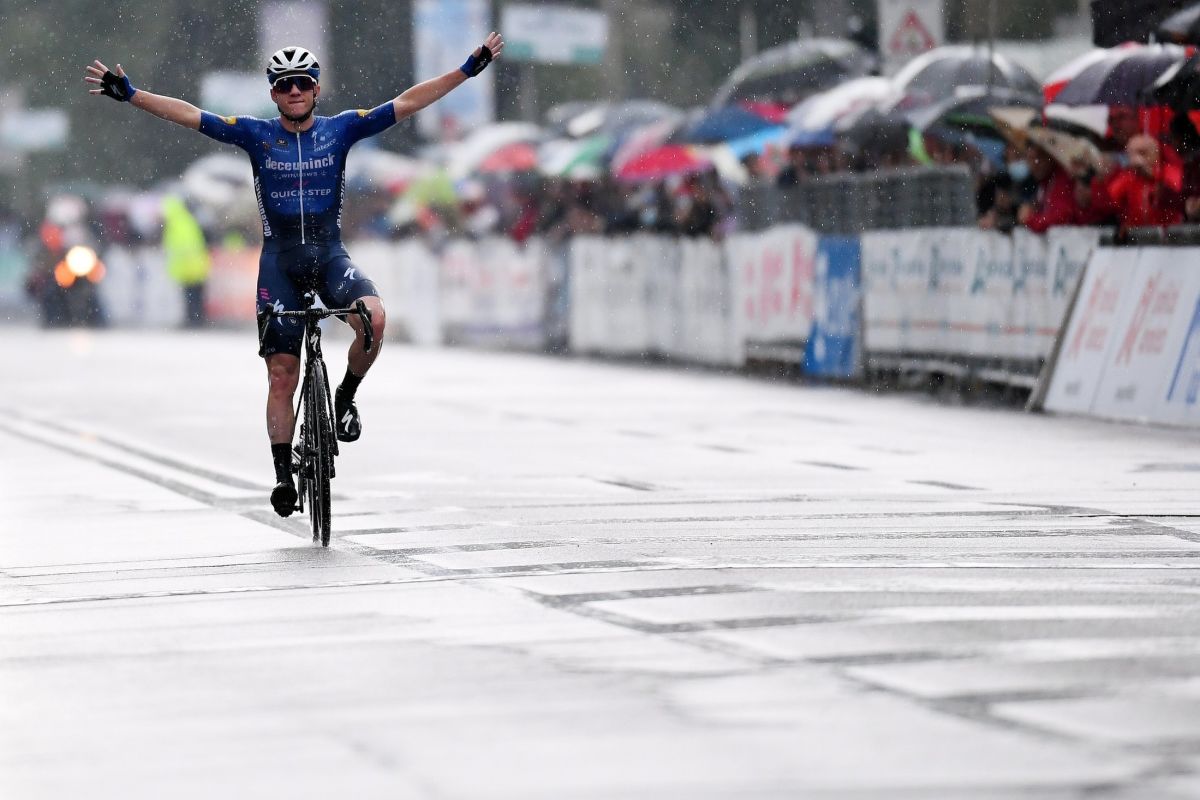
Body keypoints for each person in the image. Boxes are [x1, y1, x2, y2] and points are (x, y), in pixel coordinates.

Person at [86, 34, 504, 516]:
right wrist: (132, 95)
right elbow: (190, 115)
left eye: (302, 83)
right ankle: (284, 475)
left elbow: (408, 102)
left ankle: (344, 397)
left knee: (374, 318)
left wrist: (466, 70)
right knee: (282, 375)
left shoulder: (342, 129)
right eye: (284, 85)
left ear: (316, 88)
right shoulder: (255, 135)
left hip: (329, 257)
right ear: (273, 93)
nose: (294, 91)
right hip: (279, 265)